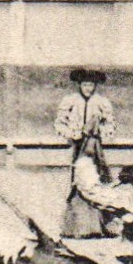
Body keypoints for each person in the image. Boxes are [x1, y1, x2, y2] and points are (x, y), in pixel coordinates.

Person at [55, 69, 115, 238]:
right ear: (79, 85)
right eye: (85, 84)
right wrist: (73, 134)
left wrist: (100, 132)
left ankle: (101, 225)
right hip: (78, 145)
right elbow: (59, 124)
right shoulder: (71, 101)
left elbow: (110, 125)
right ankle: (78, 227)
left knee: (98, 179)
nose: (88, 88)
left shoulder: (102, 102)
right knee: (78, 181)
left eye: (91, 84)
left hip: (95, 146)